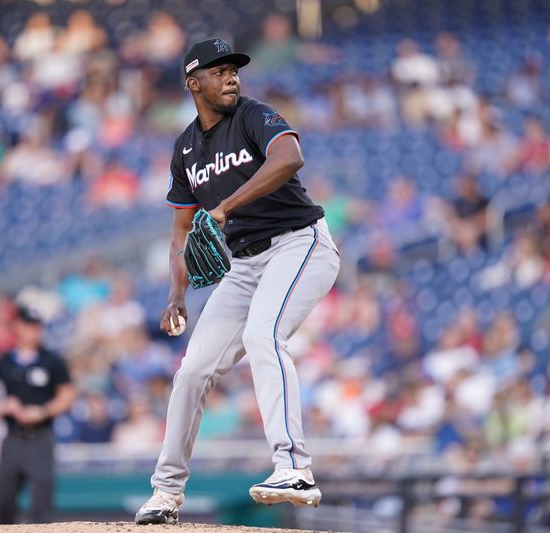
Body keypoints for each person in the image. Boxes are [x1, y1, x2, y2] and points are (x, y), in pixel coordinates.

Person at [134, 38, 341, 525]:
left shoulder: (253, 115)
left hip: (299, 243)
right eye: (218, 70)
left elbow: (290, 158)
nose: (231, 77)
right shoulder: (185, 148)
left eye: (234, 69)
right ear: (193, 83)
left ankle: (294, 468)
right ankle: (166, 494)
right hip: (245, 265)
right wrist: (176, 293)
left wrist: (226, 206)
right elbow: (180, 230)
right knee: (192, 371)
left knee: (262, 335)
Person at [0, 303, 76, 524]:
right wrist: (2, 407)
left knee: (42, 501)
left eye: (37, 326)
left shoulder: (52, 361)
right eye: (29, 325)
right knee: (2, 496)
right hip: (12, 437)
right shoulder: (3, 362)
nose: (34, 331)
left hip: (40, 437)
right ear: (17, 327)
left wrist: (43, 411)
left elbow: (67, 395)